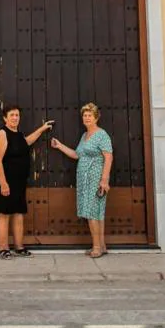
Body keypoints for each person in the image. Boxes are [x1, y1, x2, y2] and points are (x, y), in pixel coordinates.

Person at [50, 102, 113, 258]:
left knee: (93, 212)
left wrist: (104, 180)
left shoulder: (102, 134)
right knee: (96, 213)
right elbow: (77, 154)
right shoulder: (85, 136)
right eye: (84, 116)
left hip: (96, 178)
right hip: (84, 180)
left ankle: (97, 247)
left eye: (89, 115)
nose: (86, 118)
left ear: (96, 117)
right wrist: (59, 146)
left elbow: (109, 157)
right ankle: (102, 245)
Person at [0, 104, 53, 259]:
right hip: (6, 181)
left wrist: (42, 129)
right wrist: (3, 184)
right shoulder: (2, 133)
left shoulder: (18, 135)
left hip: (19, 182)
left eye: (17, 115)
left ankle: (19, 247)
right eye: (12, 115)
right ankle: (3, 248)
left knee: (18, 214)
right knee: (4, 214)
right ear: (5, 118)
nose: (15, 118)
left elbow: (27, 141)